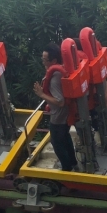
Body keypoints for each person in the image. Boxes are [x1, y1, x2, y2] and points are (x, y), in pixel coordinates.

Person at [33, 43, 77, 171]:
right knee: (66, 138)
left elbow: (60, 101)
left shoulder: (54, 79)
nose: (43, 62)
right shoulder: (60, 70)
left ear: (54, 60)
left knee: (57, 143)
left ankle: (66, 167)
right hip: (65, 116)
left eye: (45, 60)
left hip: (58, 117)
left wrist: (41, 94)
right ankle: (72, 162)